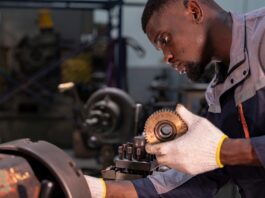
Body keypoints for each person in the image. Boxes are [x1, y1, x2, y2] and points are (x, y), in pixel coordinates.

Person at [85, 0, 265, 197]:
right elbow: (200, 177)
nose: (166, 57)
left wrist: (225, 150)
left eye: (164, 39)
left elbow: (218, 154)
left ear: (195, 11)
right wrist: (101, 190)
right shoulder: (217, 95)